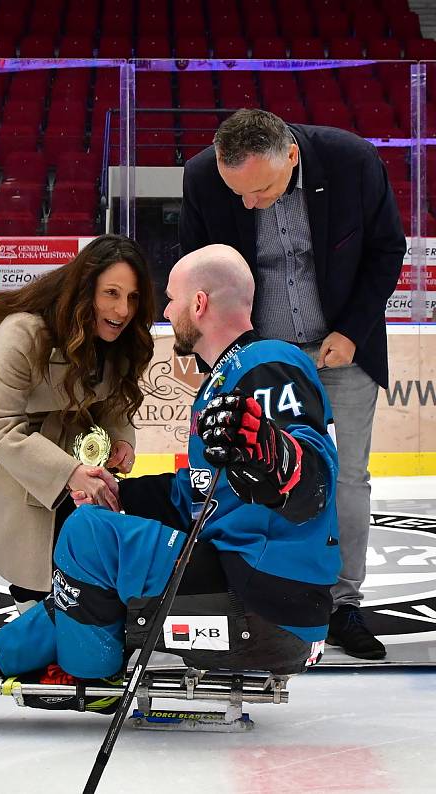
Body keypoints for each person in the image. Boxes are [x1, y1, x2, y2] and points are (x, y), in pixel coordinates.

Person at [0, 244, 341, 708]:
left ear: (199, 304)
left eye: (170, 299)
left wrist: (274, 452)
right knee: (96, 532)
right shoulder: (224, 378)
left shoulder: (268, 362)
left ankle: (90, 678)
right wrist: (122, 493)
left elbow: (312, 483)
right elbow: (198, 492)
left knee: (89, 534)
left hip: (263, 601)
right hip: (247, 578)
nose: (163, 311)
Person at [179, 108, 406, 660]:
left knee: (346, 477)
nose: (248, 203)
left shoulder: (352, 161)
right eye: (239, 193)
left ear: (293, 157)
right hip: (260, 361)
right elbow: (198, 272)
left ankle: (343, 605)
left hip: (342, 350)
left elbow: (385, 249)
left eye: (261, 189)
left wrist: (352, 331)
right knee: (256, 475)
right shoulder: (205, 177)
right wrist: (218, 355)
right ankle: (270, 597)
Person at [0, 234, 155, 613]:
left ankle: (74, 604)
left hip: (57, 412)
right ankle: (35, 607)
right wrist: (70, 470)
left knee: (78, 505)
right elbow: (0, 427)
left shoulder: (122, 338)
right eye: (111, 293)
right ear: (85, 289)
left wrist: (122, 441)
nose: (122, 310)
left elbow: (116, 403)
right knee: (28, 523)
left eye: (133, 297)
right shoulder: (23, 331)